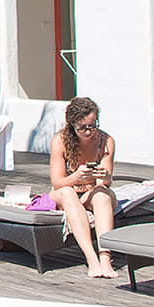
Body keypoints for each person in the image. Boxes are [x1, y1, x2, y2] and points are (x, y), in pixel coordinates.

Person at [50, 95, 121, 279]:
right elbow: (57, 182)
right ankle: (92, 259)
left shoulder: (106, 141)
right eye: (82, 128)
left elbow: (106, 183)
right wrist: (75, 177)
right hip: (68, 190)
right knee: (66, 192)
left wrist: (105, 177)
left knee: (102, 194)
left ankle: (105, 258)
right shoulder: (60, 141)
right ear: (72, 126)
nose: (89, 132)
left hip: (91, 191)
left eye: (92, 125)